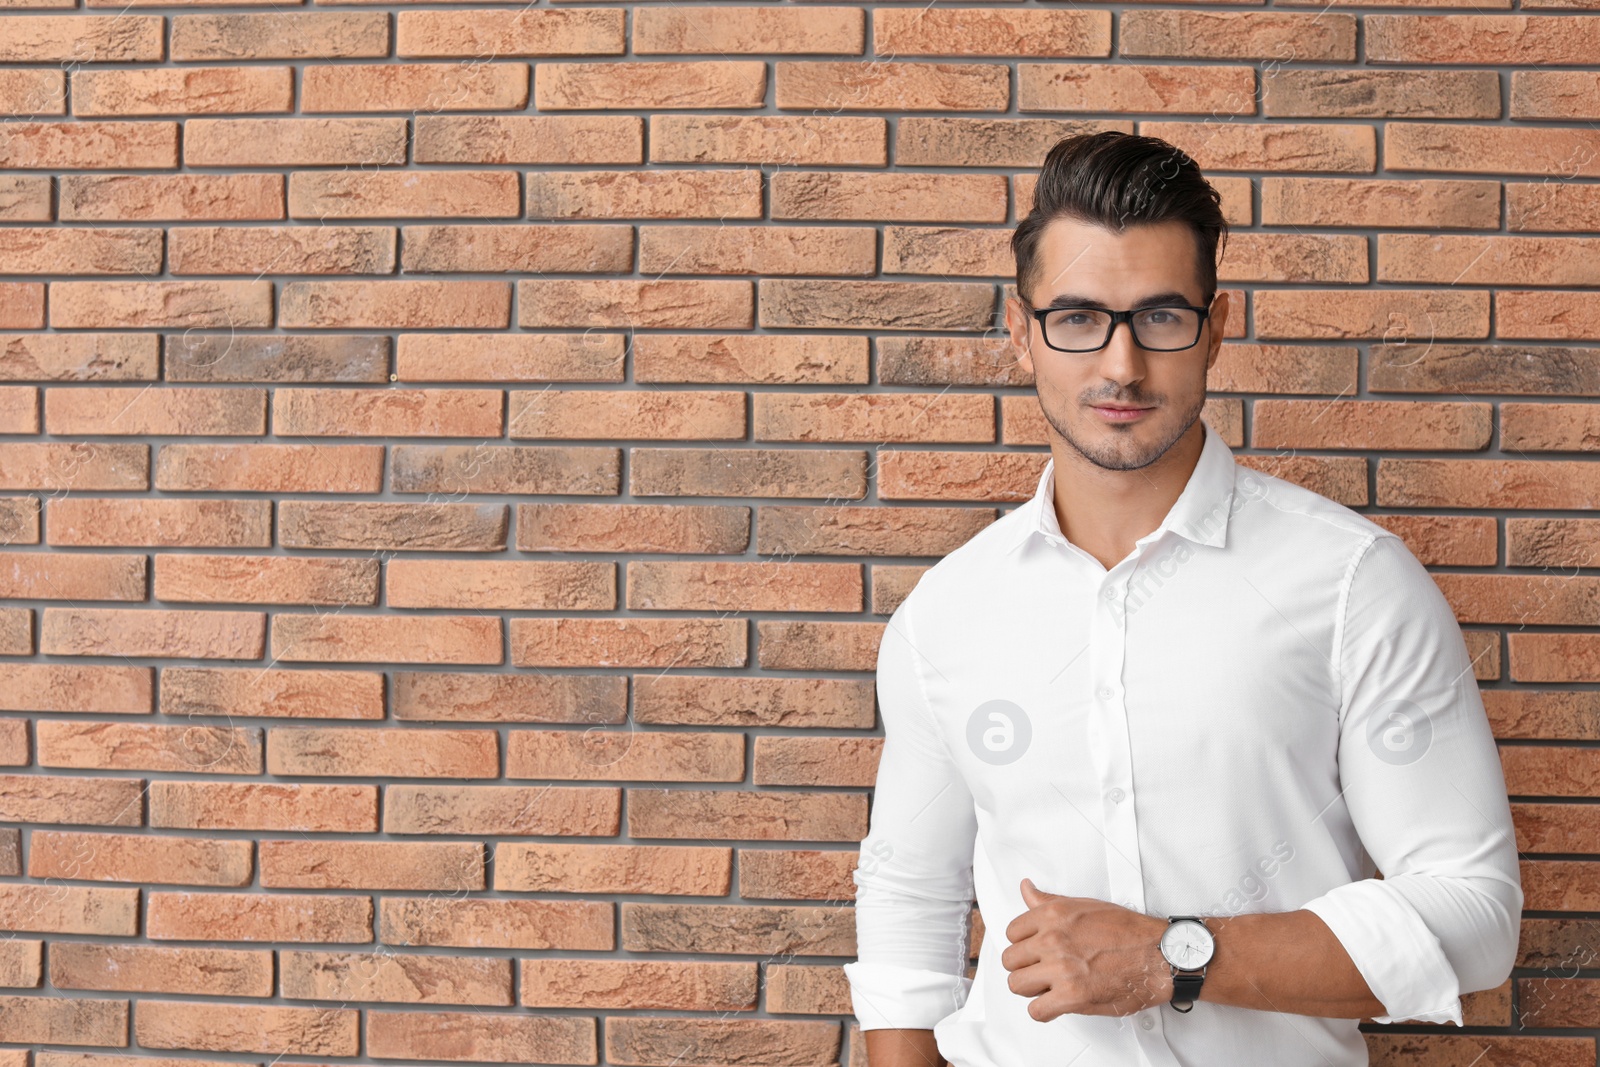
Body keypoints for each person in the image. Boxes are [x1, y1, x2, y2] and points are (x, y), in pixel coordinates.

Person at [843, 131, 1522, 1067]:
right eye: (1077, 317)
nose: (1121, 365)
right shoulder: (946, 613)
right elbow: (908, 904)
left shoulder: (1352, 582)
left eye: (1160, 316)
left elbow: (1476, 915)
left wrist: (1176, 955)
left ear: (1216, 323)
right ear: (1019, 330)